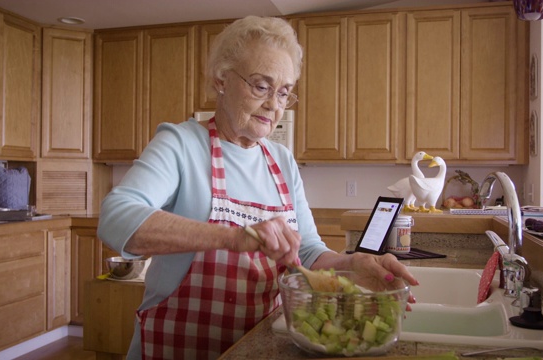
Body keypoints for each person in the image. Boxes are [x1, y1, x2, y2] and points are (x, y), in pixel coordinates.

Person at [98, 15, 419, 360]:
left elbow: (307, 251)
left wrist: (350, 265)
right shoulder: (181, 144)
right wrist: (233, 238)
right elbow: (116, 218)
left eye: (283, 92)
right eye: (260, 86)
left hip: (257, 348)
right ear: (221, 79)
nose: (274, 104)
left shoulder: (281, 160)